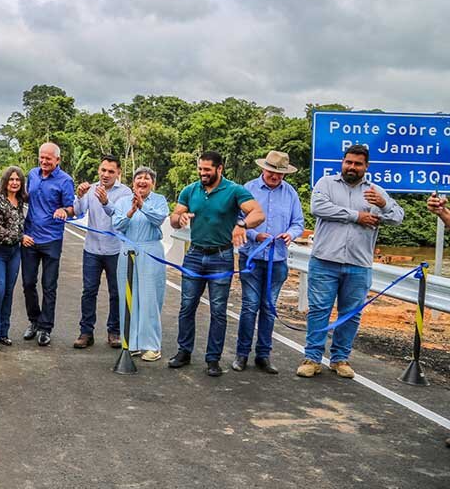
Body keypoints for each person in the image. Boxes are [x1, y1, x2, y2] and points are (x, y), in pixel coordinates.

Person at [297, 145, 404, 379]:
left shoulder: (375, 192)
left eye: (357, 164)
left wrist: (383, 205)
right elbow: (319, 208)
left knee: (351, 313)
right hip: (325, 260)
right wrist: (357, 216)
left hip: (359, 263)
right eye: (348, 162)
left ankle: (340, 359)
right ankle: (312, 358)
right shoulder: (326, 184)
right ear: (342, 162)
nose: (352, 167)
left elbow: (398, 218)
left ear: (366, 167)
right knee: (319, 310)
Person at [168, 151, 264, 377]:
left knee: (219, 310)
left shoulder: (234, 190)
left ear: (219, 169)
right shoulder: (190, 190)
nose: (202, 173)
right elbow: (174, 217)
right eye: (200, 169)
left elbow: (258, 213)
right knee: (187, 306)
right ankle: (184, 351)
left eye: (207, 169)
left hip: (221, 258)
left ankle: (213, 358)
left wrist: (242, 223)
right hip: (194, 255)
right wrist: (178, 219)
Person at [233, 151, 305, 374]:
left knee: (269, 307)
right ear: (263, 169)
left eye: (279, 173)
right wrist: (255, 235)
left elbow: (298, 223)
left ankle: (263, 354)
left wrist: (290, 235)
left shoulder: (290, 193)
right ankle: (242, 354)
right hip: (252, 256)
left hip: (278, 258)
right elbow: (238, 219)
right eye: (271, 171)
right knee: (249, 306)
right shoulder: (249, 189)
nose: (275, 176)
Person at [72, 154, 132, 349]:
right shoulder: (91, 190)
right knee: (89, 291)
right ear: (99, 170)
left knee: (115, 292)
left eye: (111, 171)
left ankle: (113, 331)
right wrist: (80, 196)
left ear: (118, 173)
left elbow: (122, 218)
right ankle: (86, 332)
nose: (106, 174)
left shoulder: (125, 193)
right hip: (92, 249)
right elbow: (79, 212)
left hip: (115, 250)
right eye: (103, 170)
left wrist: (106, 202)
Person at [21, 142, 75, 346]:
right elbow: (25, 198)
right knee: (28, 283)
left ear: (58, 160)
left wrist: (64, 211)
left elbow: (71, 208)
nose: (44, 161)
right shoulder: (32, 174)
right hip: (30, 238)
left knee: (49, 285)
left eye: (48, 159)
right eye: (41, 157)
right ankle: (33, 321)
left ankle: (45, 328)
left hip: (52, 239)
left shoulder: (65, 181)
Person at [112, 167, 169, 361]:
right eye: (139, 178)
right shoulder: (122, 202)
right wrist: (130, 211)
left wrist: (143, 205)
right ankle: (131, 342)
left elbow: (159, 219)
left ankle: (151, 345)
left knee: (149, 298)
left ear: (153, 183)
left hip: (150, 250)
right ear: (133, 181)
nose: (142, 181)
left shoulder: (159, 200)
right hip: (127, 250)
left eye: (147, 178)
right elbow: (117, 225)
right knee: (128, 297)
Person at [0, 166, 26, 352]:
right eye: (11, 179)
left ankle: (3, 332)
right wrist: (20, 237)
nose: (14, 183)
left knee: (9, 292)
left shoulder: (20, 202)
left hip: (14, 252)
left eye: (18, 180)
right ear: (5, 182)